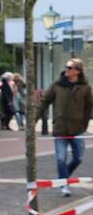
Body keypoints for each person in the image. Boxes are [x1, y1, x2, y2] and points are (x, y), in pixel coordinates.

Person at [37, 58, 93, 197]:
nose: (66, 70)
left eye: (70, 67)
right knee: (61, 158)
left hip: (77, 129)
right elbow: (45, 102)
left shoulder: (85, 88)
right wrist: (33, 120)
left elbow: (89, 107)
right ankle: (64, 185)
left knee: (78, 158)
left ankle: (63, 177)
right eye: (66, 67)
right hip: (60, 128)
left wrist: (84, 123)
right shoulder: (57, 85)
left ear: (77, 71)